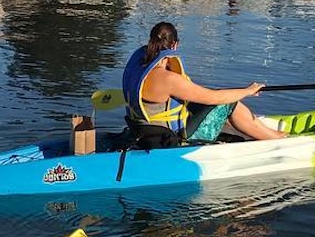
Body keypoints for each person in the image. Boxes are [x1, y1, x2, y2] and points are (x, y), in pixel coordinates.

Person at [121, 21, 287, 147]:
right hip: (170, 138)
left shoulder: (138, 65)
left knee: (205, 103)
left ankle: (260, 128)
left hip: (142, 130)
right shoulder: (168, 79)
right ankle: (276, 139)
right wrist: (247, 90)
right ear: (175, 45)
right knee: (229, 104)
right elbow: (213, 98)